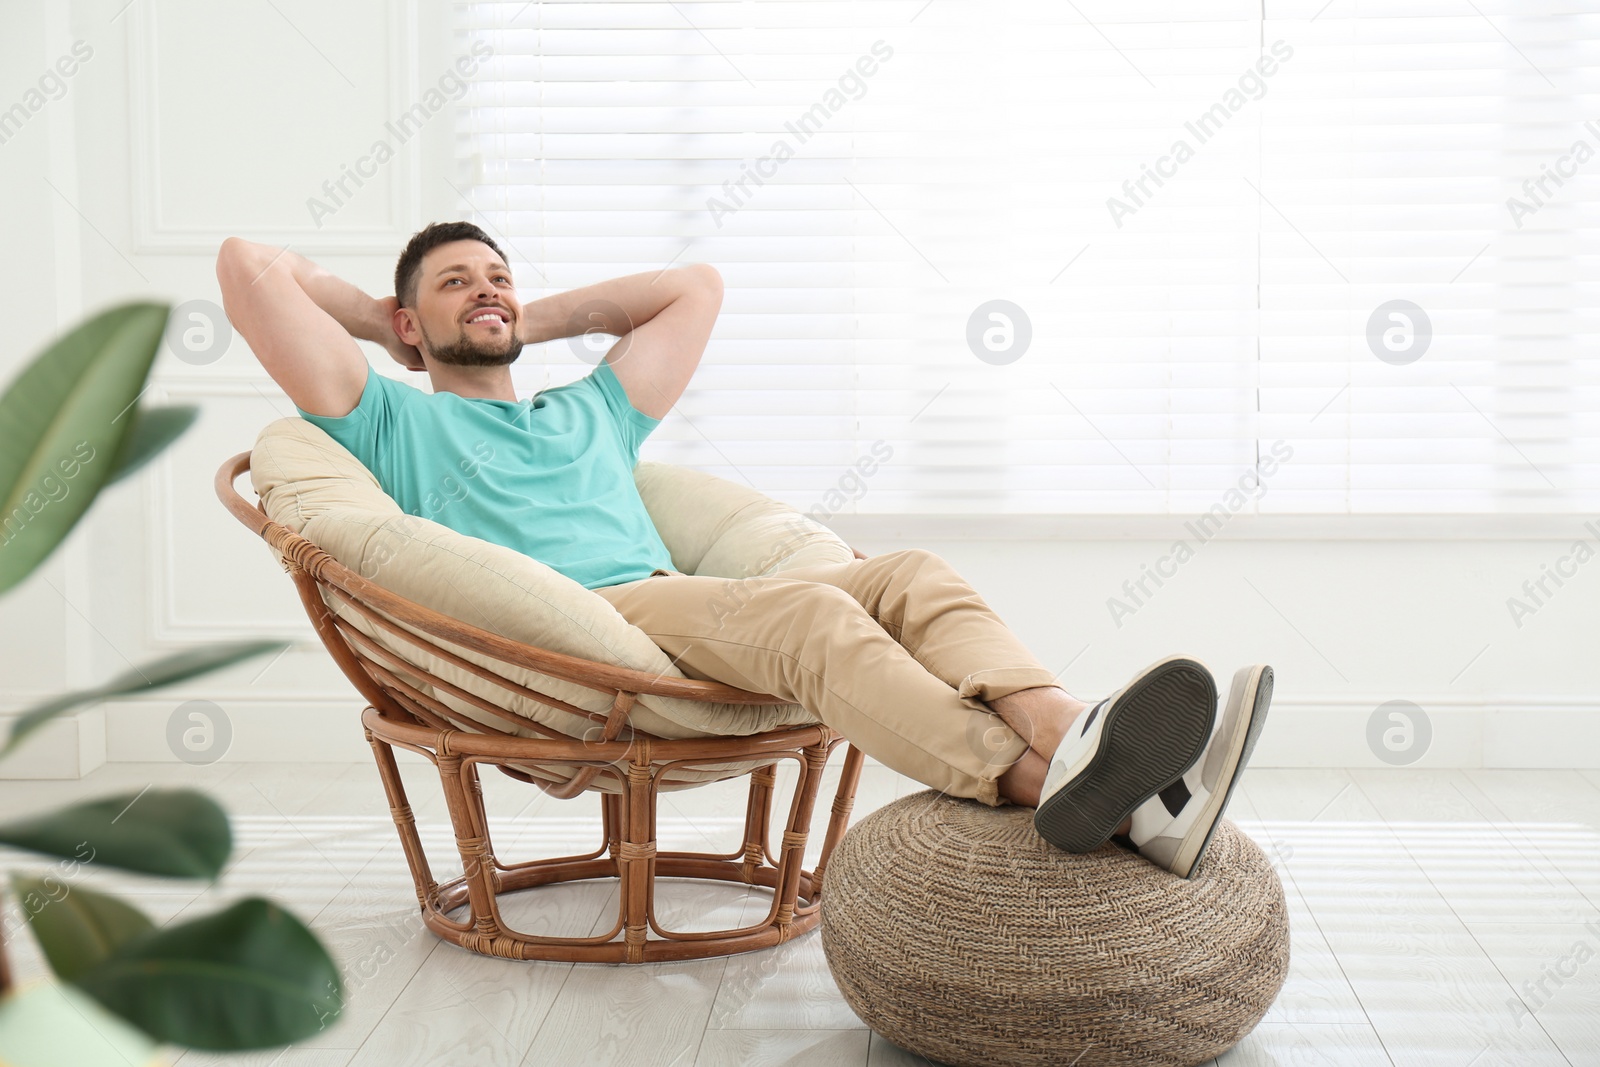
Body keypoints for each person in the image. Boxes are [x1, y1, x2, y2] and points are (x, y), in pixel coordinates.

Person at [215, 221, 1273, 879]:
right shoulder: (391, 418)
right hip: (600, 618)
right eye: (457, 282)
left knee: (905, 573)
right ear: (406, 321)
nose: (486, 288)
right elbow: (247, 264)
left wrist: (517, 316)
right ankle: (1050, 781)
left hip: (680, 597)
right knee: (814, 615)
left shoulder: (587, 411)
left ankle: (1088, 753)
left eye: (498, 274)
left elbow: (696, 285)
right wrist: (385, 320)